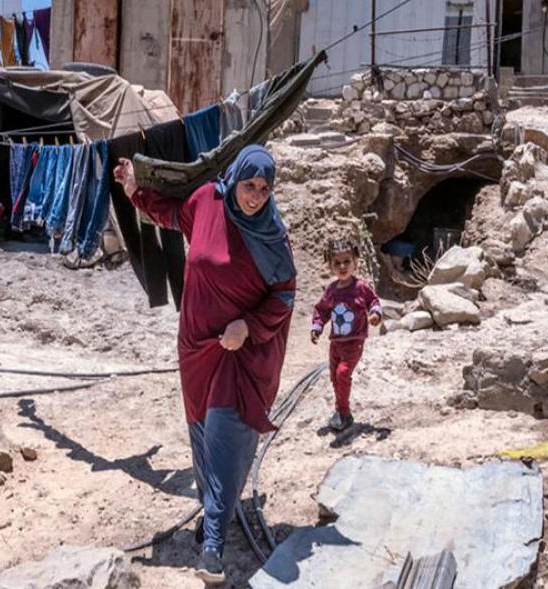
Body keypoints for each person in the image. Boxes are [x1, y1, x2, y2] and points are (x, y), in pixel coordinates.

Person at [113, 145, 296, 584]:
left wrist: (248, 327)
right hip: (196, 346)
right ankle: (219, 505)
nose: (255, 196)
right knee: (200, 436)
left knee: (225, 435)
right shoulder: (207, 202)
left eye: (264, 188)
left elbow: (285, 296)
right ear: (234, 180)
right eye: (249, 185)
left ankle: (212, 544)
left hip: (239, 353)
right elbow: (169, 216)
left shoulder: (273, 236)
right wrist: (134, 190)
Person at [309, 238, 381, 431]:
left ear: (355, 262)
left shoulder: (361, 287)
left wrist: (375, 314)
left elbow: (374, 302)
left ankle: (344, 412)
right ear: (330, 266)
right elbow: (322, 310)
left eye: (347, 261)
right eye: (337, 263)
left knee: (342, 373)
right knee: (334, 376)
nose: (342, 266)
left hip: (354, 342)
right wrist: (317, 327)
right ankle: (340, 411)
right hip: (336, 343)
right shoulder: (331, 291)